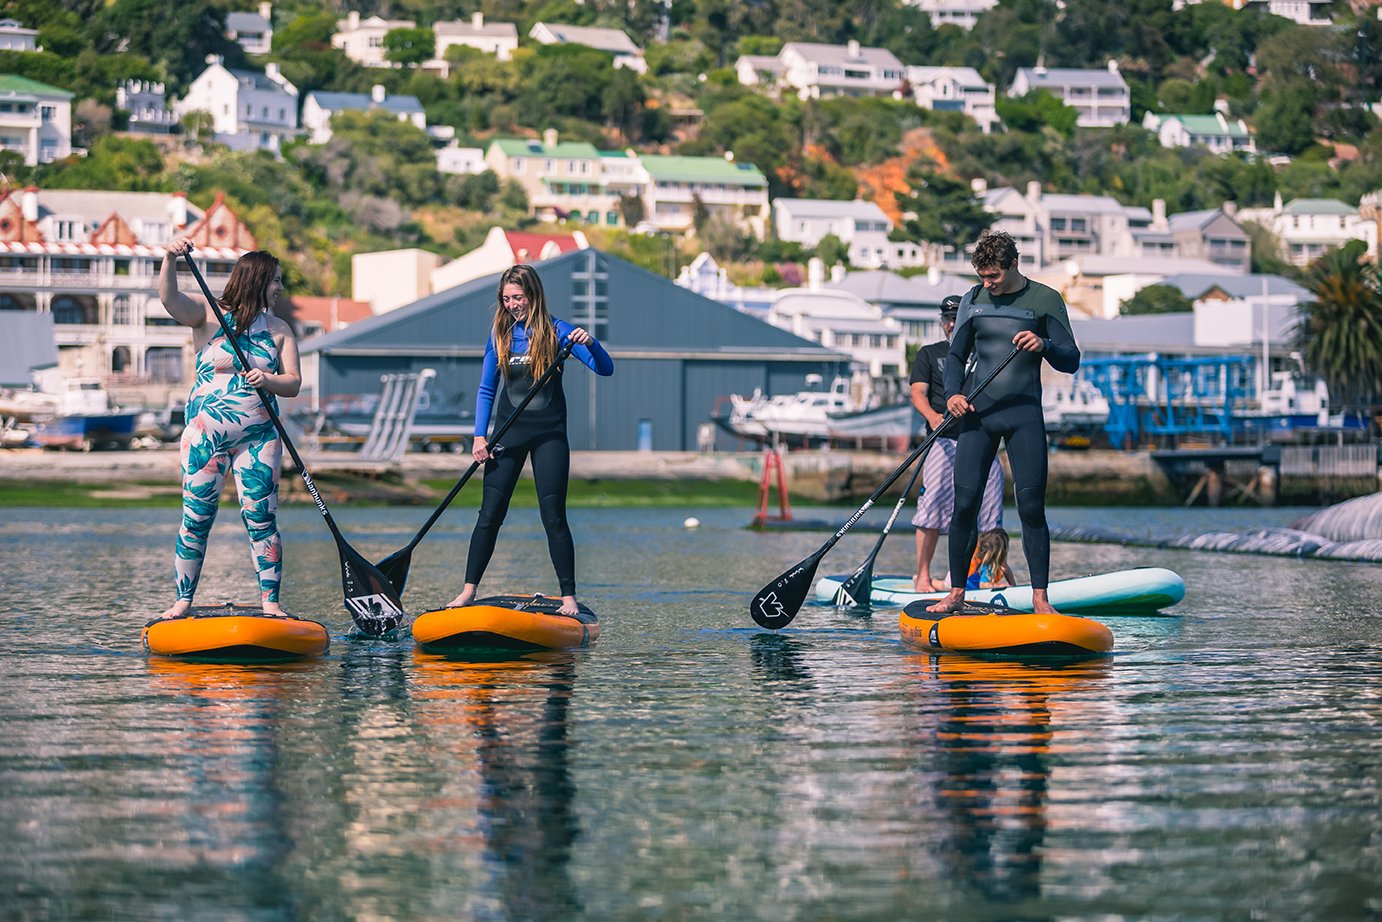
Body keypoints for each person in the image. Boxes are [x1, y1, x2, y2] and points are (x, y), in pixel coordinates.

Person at [447, 264, 614, 616]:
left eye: (518, 297)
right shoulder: (500, 336)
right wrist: (480, 436)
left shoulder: (559, 332)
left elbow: (604, 368)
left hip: (549, 436)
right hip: (507, 435)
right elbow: (486, 389)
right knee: (489, 515)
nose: (512, 304)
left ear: (533, 295)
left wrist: (591, 343)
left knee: (553, 517)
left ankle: (568, 599)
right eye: (506, 298)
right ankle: (467, 592)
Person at [927, 230, 1080, 616]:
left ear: (1013, 265)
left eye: (993, 276)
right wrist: (954, 396)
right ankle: (956, 592)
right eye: (981, 276)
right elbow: (957, 356)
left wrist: (1044, 345)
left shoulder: (1045, 299)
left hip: (1024, 415)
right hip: (978, 414)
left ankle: (1040, 599)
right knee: (964, 504)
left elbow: (1071, 359)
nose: (987, 284)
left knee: (1031, 507)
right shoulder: (972, 300)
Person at [157, 237, 301, 619]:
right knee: (196, 518)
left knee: (261, 519)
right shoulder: (208, 315)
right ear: (256, 280)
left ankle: (271, 603)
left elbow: (293, 384)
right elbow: (170, 301)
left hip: (259, 439)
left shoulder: (281, 329)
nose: (280, 288)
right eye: (275, 281)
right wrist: (170, 258)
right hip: (205, 438)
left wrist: (268, 379)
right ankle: (182, 602)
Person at [908, 294, 1005, 591]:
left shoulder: (986, 352)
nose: (952, 324)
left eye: (957, 319)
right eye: (947, 320)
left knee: (990, 509)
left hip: (981, 439)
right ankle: (923, 576)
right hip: (944, 438)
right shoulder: (929, 353)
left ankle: (988, 576)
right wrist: (933, 417)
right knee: (933, 502)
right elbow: (918, 393)